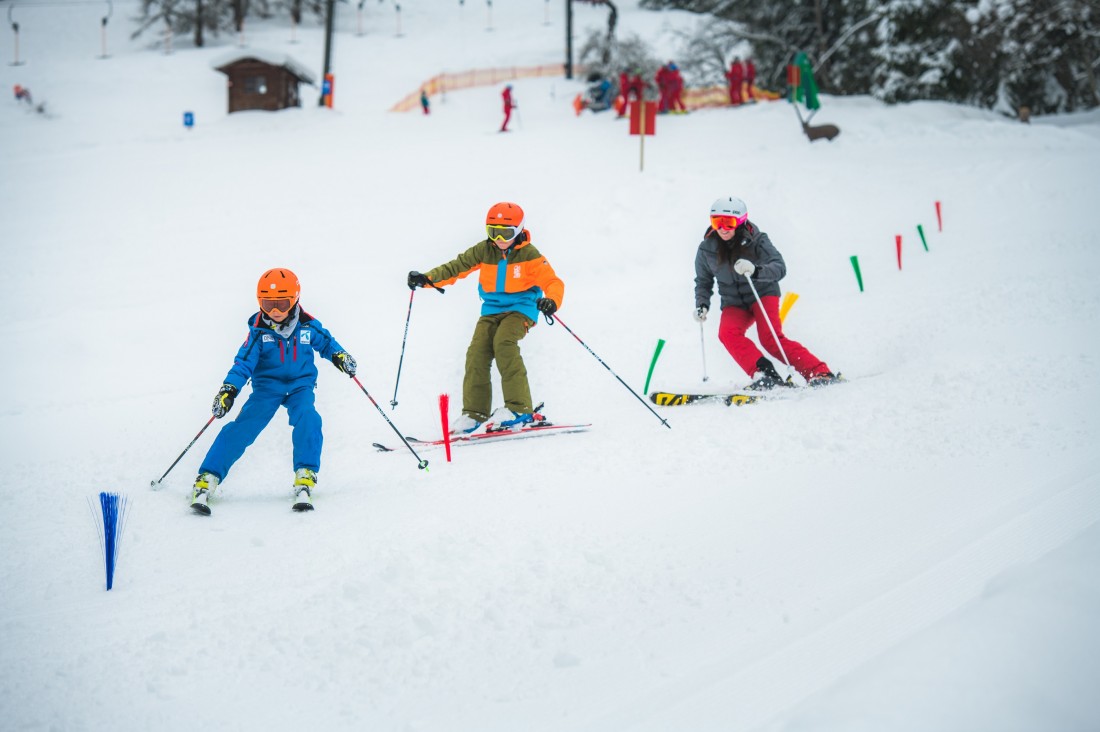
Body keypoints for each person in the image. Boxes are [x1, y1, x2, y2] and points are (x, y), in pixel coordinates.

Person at [189, 268, 357, 515]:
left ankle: (305, 474)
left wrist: (339, 356)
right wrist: (229, 390)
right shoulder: (258, 334)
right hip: (267, 388)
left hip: (300, 386)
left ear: (295, 300)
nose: (275, 311)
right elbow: (242, 364)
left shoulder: (309, 327)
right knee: (242, 427)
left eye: (281, 303)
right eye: (268, 304)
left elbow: (328, 344)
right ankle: (207, 478)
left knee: (308, 417)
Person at [407, 202, 565, 434]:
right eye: (493, 232)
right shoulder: (484, 250)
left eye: (506, 233)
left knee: (504, 343)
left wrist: (551, 301)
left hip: (521, 308)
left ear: (520, 230)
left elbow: (553, 282)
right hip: (491, 309)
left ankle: (519, 408)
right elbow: (456, 267)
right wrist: (427, 279)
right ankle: (474, 413)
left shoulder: (530, 255)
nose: (499, 238)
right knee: (477, 352)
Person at [693, 197, 838, 390]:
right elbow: (703, 281)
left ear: (741, 221)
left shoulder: (757, 240)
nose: (723, 228)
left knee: (769, 338)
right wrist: (702, 304)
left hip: (762, 293)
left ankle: (818, 371)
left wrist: (756, 270)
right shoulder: (706, 249)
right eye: (716, 222)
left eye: (728, 222)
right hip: (733, 302)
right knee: (727, 333)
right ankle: (765, 374)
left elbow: (779, 267)